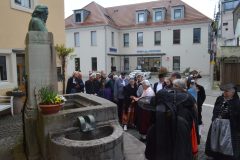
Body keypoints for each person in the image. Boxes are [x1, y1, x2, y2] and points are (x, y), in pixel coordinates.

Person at [205, 83, 240, 160]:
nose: (224, 93)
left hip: (229, 128)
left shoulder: (236, 103)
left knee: (227, 144)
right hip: (216, 125)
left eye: (226, 91)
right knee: (214, 141)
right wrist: (215, 120)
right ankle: (215, 155)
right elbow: (215, 110)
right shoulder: (220, 99)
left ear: (232, 92)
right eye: (224, 91)